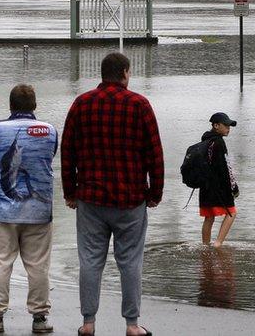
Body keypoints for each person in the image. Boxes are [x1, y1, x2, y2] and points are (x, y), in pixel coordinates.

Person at [61, 52, 164, 336]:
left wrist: (70, 191)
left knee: (90, 260)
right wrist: (155, 193)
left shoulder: (81, 104)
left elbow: (67, 151)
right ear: (126, 73)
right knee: (130, 262)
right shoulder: (139, 105)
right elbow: (154, 153)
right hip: (130, 198)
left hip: (91, 198)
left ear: (102, 73)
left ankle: (88, 322)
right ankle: (132, 325)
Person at [0, 84, 57, 334]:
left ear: (10, 105)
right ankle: (40, 318)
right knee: (38, 265)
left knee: (0, 264)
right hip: (40, 211)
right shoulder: (50, 130)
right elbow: (50, 155)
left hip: (3, 211)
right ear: (35, 105)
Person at [199, 113, 239, 247]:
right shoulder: (219, 142)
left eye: (229, 126)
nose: (228, 128)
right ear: (216, 126)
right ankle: (217, 244)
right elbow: (225, 168)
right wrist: (233, 188)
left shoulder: (205, 140)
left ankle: (205, 246)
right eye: (226, 125)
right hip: (219, 188)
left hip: (205, 187)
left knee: (209, 217)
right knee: (232, 213)